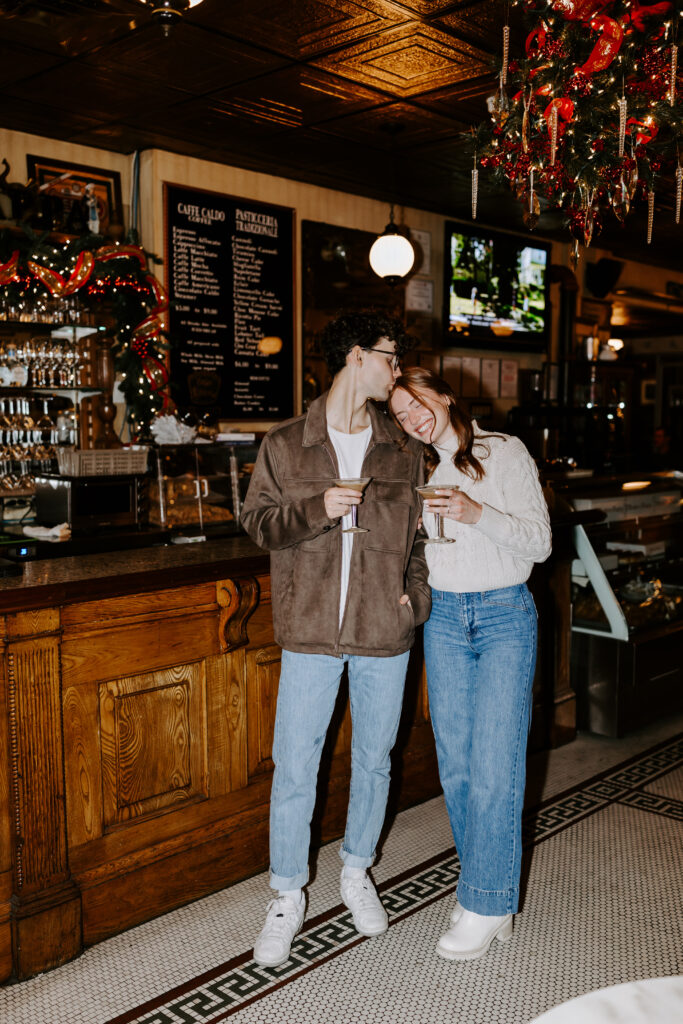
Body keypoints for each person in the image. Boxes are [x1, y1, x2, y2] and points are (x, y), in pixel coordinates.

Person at [241, 312, 430, 968]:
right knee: (296, 766)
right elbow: (257, 523)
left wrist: (416, 599)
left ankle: (356, 871)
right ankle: (286, 896)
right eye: (388, 358)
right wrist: (313, 510)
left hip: (384, 629)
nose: (395, 371)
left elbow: (421, 540)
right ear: (355, 356)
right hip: (310, 630)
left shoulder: (402, 450)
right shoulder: (286, 444)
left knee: (375, 759)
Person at [389, 366, 551, 962]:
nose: (411, 421)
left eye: (417, 406)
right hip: (446, 621)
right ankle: (490, 891)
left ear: (444, 394)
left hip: (506, 613)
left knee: (494, 764)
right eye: (400, 416)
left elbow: (539, 542)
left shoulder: (502, 451)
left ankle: (484, 903)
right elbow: (415, 553)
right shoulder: (417, 466)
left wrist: (474, 512)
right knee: (455, 765)